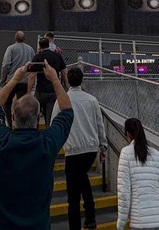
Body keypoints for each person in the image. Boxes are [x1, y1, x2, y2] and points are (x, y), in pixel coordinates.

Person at [0, 61, 73, 229]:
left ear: (12, 115)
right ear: (38, 117)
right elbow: (67, 111)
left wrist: (15, 79)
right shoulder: (47, 143)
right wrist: (55, 80)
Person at [52, 66, 107, 230]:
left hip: (73, 150)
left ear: (67, 80)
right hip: (90, 150)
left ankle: (77, 225)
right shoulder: (92, 99)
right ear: (82, 80)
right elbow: (99, 124)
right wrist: (103, 146)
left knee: (73, 197)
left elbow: (54, 123)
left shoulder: (62, 99)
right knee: (83, 180)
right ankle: (90, 217)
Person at [116, 118, 159, 230]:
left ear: (128, 134)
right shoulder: (156, 154)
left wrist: (121, 224)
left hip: (140, 222)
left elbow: (124, 193)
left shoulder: (126, 154)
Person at [27, 37, 67, 126]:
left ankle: (34, 132)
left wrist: (28, 93)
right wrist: (65, 86)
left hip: (40, 91)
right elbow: (64, 72)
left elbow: (32, 76)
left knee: (34, 116)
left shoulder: (37, 57)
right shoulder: (57, 56)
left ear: (40, 46)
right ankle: (48, 133)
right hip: (53, 91)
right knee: (50, 118)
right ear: (48, 44)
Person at [0, 31, 35, 127]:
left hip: (12, 79)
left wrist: (3, 78)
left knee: (7, 102)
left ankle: (8, 123)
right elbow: (32, 66)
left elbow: (6, 64)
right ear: (24, 38)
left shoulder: (10, 48)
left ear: (15, 38)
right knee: (22, 104)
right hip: (25, 81)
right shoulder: (30, 49)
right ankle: (21, 124)